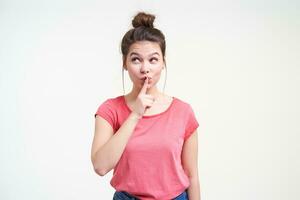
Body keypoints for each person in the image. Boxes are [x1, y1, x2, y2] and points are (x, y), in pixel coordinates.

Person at [91, 11, 201, 200]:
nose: (145, 69)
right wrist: (135, 114)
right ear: (125, 63)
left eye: (153, 59)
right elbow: (101, 166)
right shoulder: (109, 110)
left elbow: (192, 175)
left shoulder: (183, 112)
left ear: (163, 63)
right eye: (135, 59)